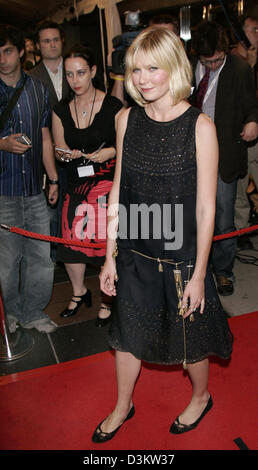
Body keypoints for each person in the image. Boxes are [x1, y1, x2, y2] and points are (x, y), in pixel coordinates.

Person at [92, 26, 233, 443]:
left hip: (183, 257)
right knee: (127, 335)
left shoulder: (200, 126)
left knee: (191, 342)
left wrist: (198, 274)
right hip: (135, 250)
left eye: (153, 67)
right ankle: (123, 405)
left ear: (173, 67)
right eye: (135, 69)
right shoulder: (125, 119)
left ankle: (201, 396)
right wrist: (109, 256)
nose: (142, 78)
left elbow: (207, 208)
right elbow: (118, 190)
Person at [52, 44, 123, 327]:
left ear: (93, 71)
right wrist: (65, 154)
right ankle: (79, 292)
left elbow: (127, 143)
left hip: (107, 186)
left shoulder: (114, 106)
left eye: (81, 73)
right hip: (76, 184)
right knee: (71, 244)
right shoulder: (60, 109)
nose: (75, 80)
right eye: (69, 75)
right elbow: (58, 148)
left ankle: (108, 297)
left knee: (108, 245)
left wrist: (112, 151)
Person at [191, 21, 258, 296]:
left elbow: (252, 105)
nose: (212, 66)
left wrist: (253, 121)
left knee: (223, 217)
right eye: (206, 62)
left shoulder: (239, 69)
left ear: (226, 49)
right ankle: (194, 269)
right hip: (190, 152)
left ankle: (223, 272)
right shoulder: (186, 65)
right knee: (191, 215)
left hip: (223, 154)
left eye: (218, 59)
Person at [0, 24, 58, 334]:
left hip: (35, 187)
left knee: (41, 257)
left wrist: (53, 179)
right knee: (7, 261)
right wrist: (2, 143)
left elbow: (45, 137)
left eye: (8, 51)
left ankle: (34, 311)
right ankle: (10, 313)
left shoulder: (37, 89)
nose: (2, 59)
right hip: (3, 190)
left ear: (22, 51)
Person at [30, 21, 70, 261]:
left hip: (77, 152)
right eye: (46, 41)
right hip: (46, 155)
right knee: (51, 209)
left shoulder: (77, 68)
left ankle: (79, 255)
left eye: (55, 39)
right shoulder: (31, 77)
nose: (52, 44)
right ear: (38, 46)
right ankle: (56, 258)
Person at [232, 16, 258, 250]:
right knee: (241, 185)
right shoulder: (234, 60)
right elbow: (241, 97)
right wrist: (249, 64)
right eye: (254, 29)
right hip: (244, 132)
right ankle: (241, 231)